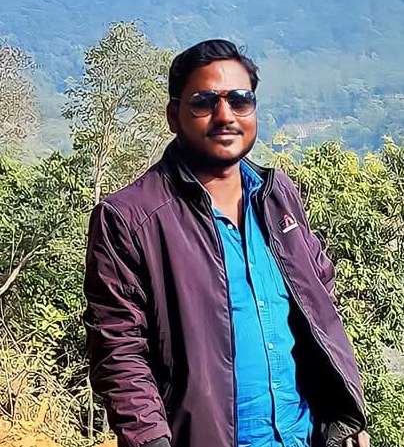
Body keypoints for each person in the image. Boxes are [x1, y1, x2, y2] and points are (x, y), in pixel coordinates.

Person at [84, 40, 370, 447]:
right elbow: (119, 352)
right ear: (173, 115)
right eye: (204, 102)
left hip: (305, 435)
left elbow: (319, 298)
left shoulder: (277, 196)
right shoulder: (130, 219)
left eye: (240, 100)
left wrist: (342, 416)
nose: (225, 116)